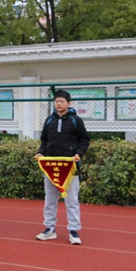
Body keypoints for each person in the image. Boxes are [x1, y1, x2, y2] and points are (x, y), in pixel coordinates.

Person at [35, 90, 90, 245]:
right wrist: (41, 153)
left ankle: (73, 231)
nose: (58, 104)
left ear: (68, 103)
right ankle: (49, 229)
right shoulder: (49, 121)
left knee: (71, 200)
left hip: (70, 168)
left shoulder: (75, 120)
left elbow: (84, 140)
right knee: (50, 200)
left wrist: (78, 154)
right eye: (56, 101)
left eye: (61, 101)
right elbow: (44, 141)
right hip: (51, 167)